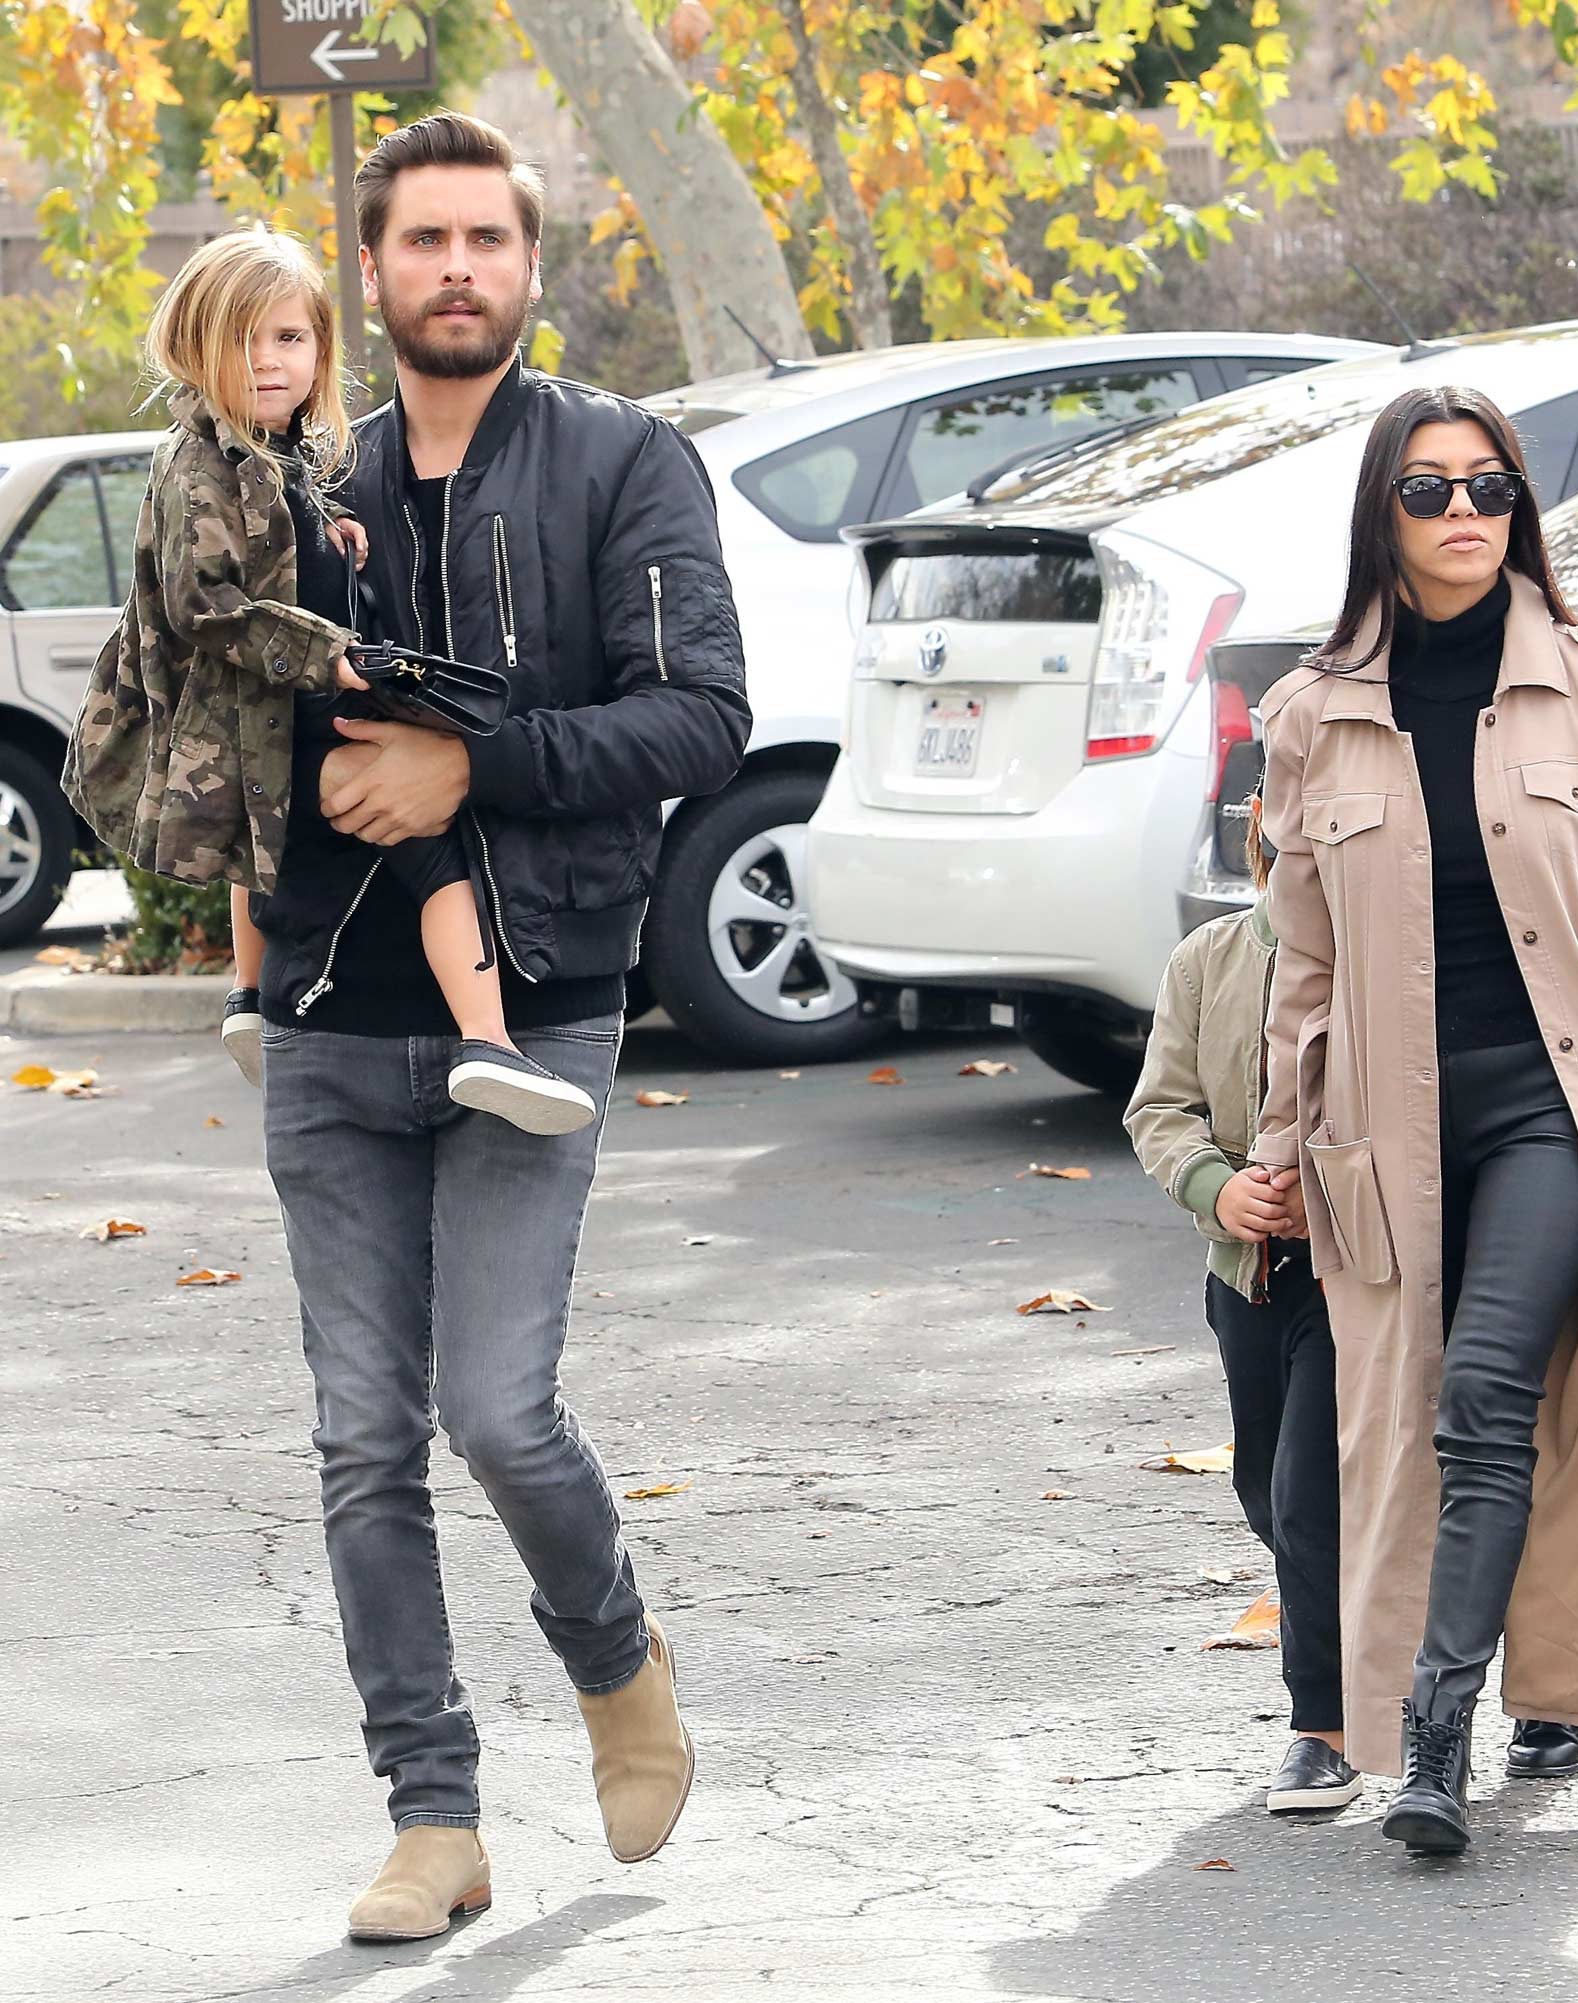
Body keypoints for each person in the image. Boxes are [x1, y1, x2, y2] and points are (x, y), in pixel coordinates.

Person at [248, 112, 751, 1938]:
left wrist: (477, 757)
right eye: (423, 241)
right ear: (369, 269)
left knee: (494, 1407)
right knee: (360, 1437)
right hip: (328, 1012)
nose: (456, 267)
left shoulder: (626, 462)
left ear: (531, 268)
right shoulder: (300, 483)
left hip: (537, 1003)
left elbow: (702, 713)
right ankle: (435, 1814)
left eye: (488, 240)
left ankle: (619, 1660)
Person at [1249, 385, 1578, 1856]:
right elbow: (1299, 964)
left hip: (1555, 1112)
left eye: (1490, 488)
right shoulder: (1316, 714)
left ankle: (1435, 1735)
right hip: (1386, 1122)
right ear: (1381, 512)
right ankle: (1516, 1682)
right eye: (1430, 491)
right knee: (1405, 1423)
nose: (1464, 516)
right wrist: (1278, 1148)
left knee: (1489, 1395)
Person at [61, 225, 599, 1138]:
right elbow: (207, 604)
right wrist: (331, 653)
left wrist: (335, 524)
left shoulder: (277, 451)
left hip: (269, 714)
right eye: (244, 340)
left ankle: (246, 994)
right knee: (430, 841)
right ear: (195, 346)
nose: (269, 361)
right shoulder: (198, 464)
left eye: (290, 338)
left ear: (319, 348)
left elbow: (285, 529)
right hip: (270, 710)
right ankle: (489, 1041)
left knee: (265, 838)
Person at [1125, 795, 1361, 1817]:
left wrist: (1329, 1189)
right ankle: (1382, 1633)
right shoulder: (1209, 958)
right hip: (1245, 1273)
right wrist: (1217, 1187)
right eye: (1283, 812)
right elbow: (1159, 1108)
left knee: (1312, 1494)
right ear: (1257, 823)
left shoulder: (1376, 957)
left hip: (1354, 1275)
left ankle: (1327, 1725)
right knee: (1267, 1493)